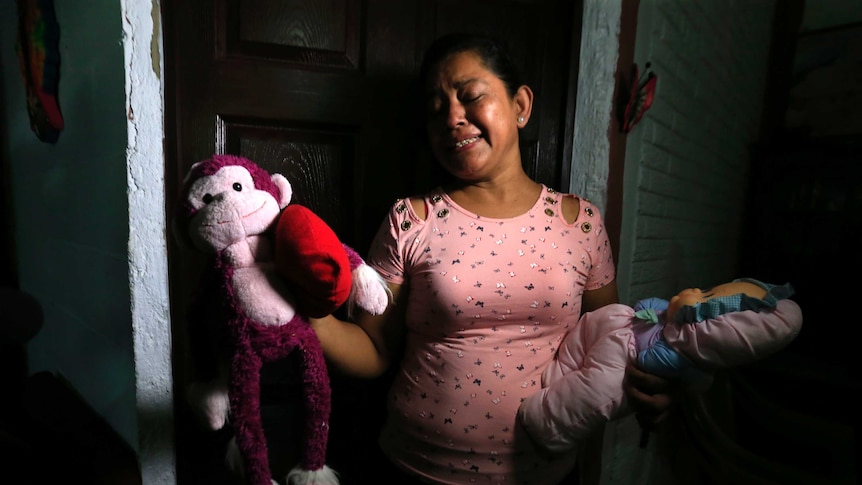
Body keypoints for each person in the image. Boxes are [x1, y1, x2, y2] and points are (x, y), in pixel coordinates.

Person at [310, 32, 674, 484]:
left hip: (545, 471)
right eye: (437, 108)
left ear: (521, 105)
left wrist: (649, 387)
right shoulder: (411, 220)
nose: (452, 117)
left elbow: (609, 343)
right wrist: (308, 315)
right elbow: (374, 350)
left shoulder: (580, 223)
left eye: (470, 96)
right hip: (414, 468)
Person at [516, 278, 803, 456]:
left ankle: (547, 422)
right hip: (610, 335)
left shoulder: (680, 348)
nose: (694, 289)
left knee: (601, 390)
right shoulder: (666, 316)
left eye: (704, 296)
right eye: (706, 289)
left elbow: (648, 360)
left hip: (619, 362)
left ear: (703, 327)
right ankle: (560, 373)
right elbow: (647, 305)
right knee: (600, 326)